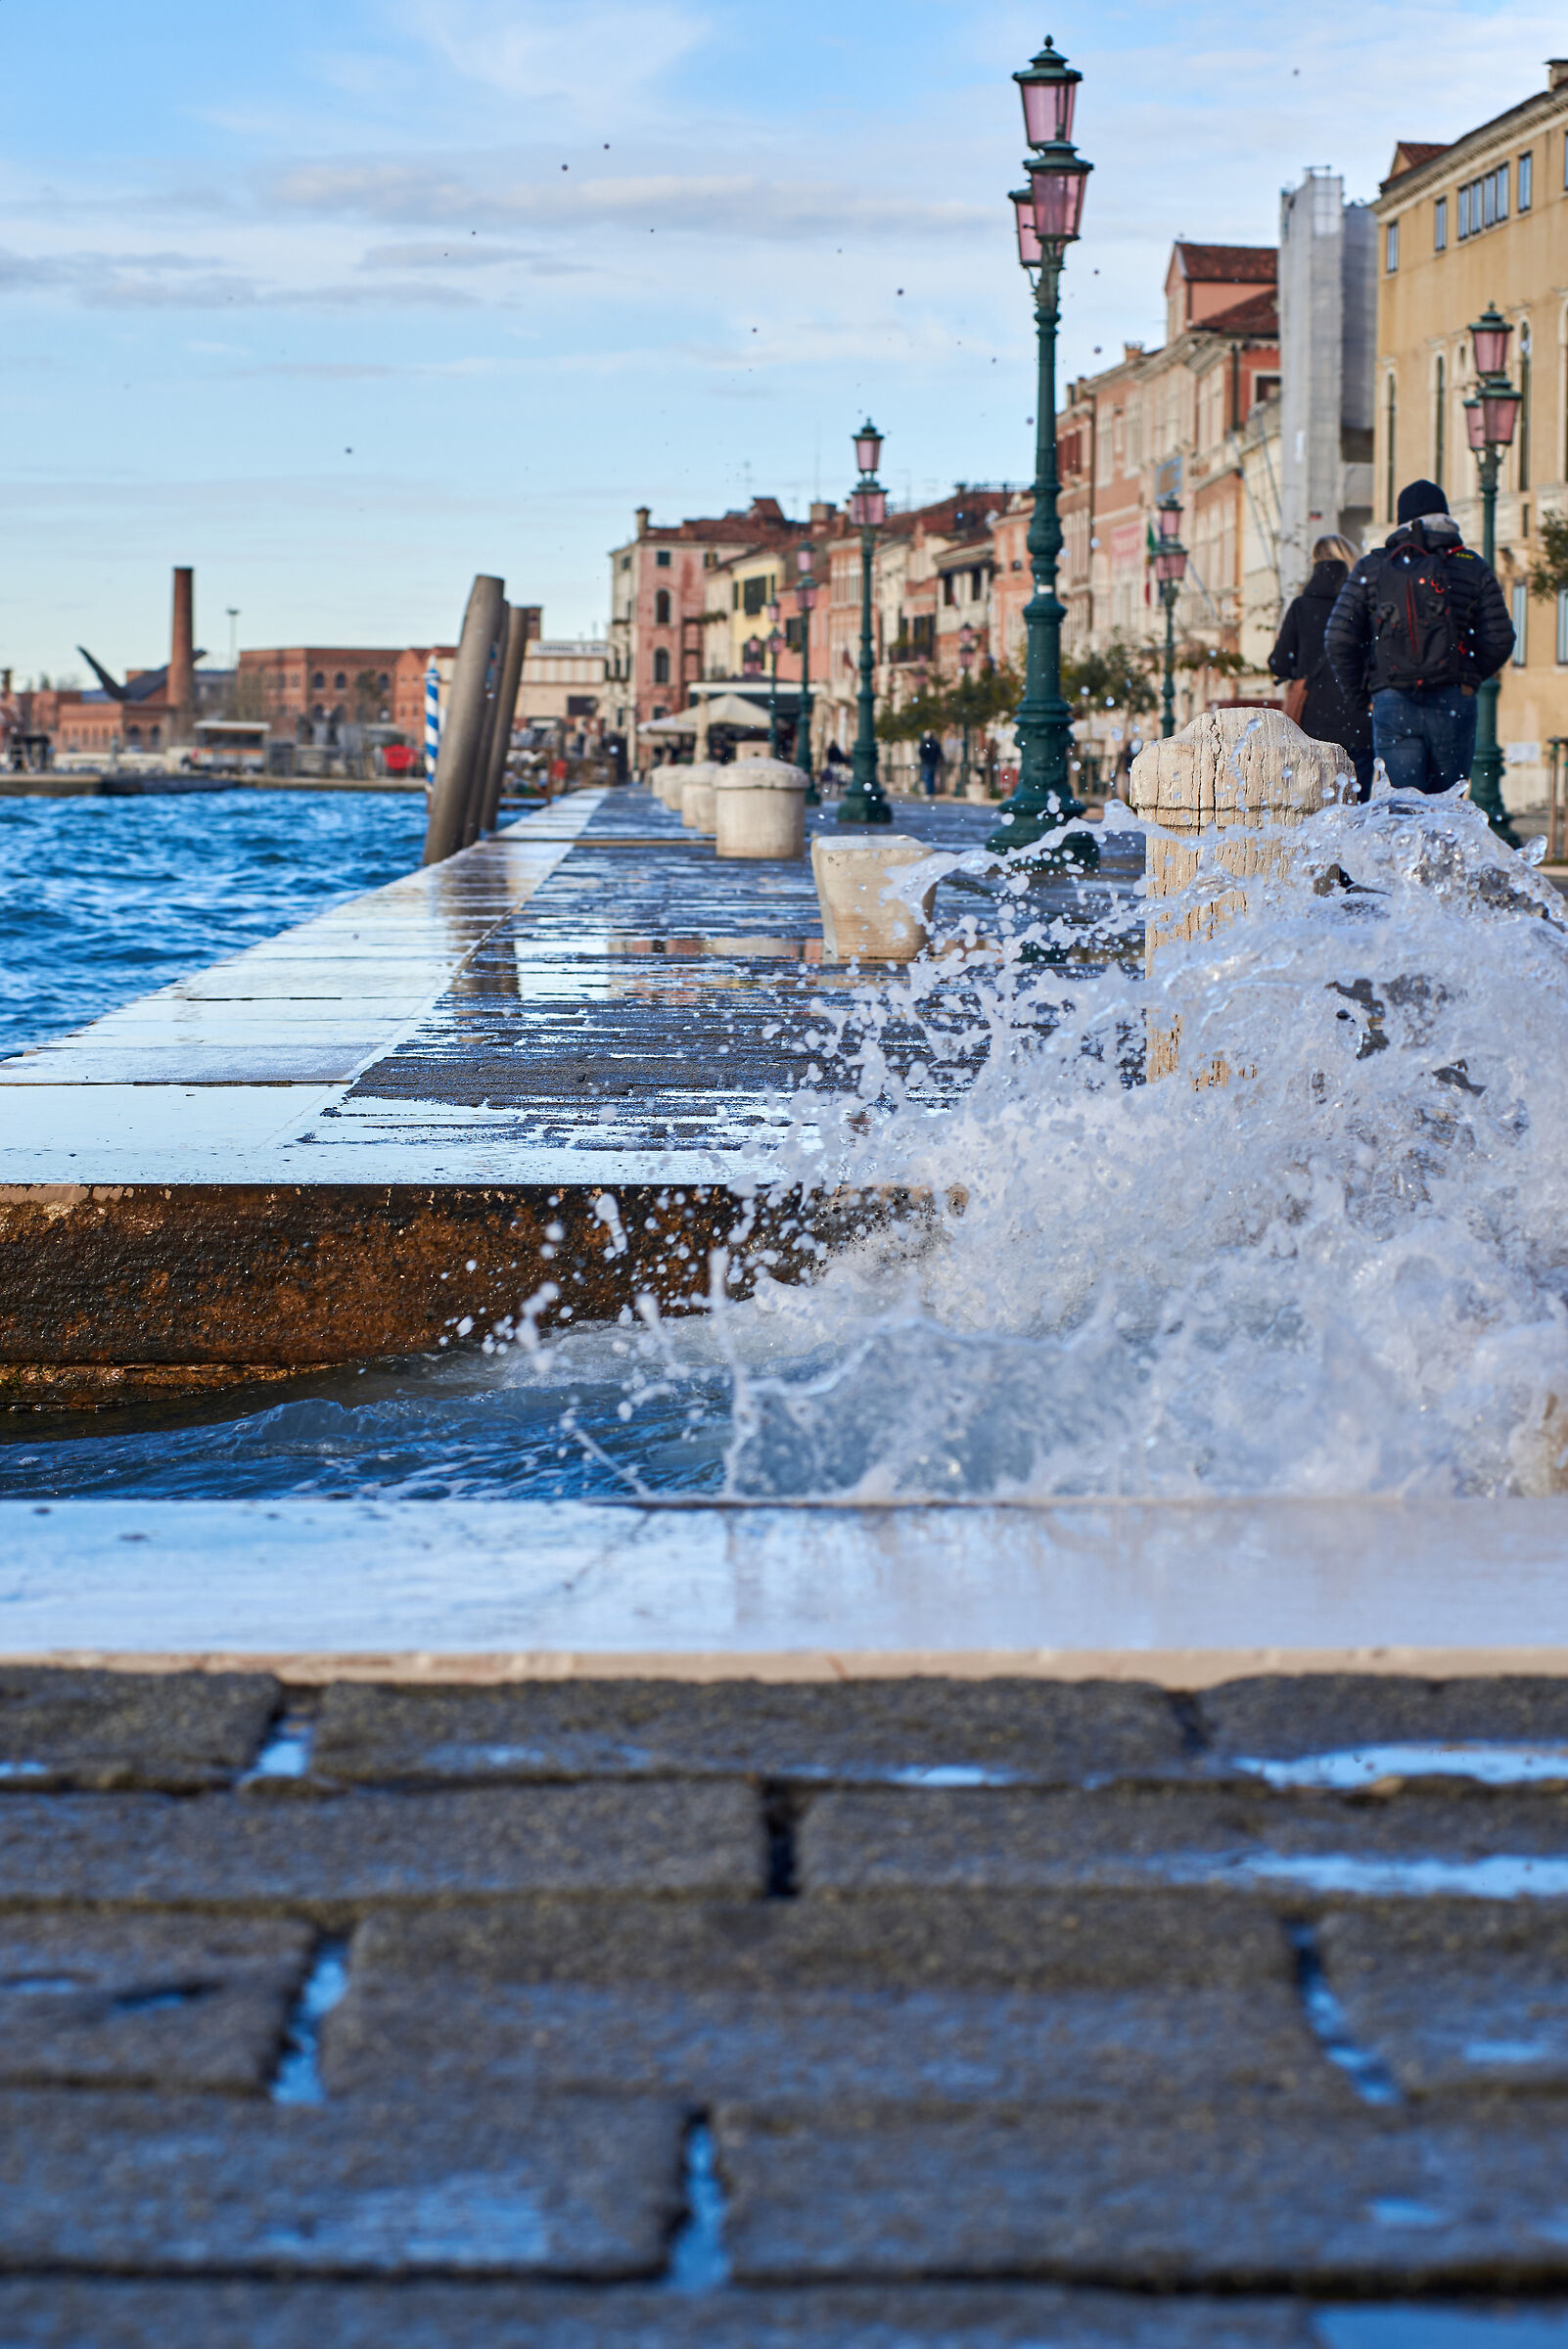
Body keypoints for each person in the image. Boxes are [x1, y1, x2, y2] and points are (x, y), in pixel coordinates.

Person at [1324, 480, 1513, 797]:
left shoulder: (1373, 566)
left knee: (1404, 809)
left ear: (1401, 522)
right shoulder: (1471, 566)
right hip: (1454, 699)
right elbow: (1500, 637)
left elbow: (1338, 638)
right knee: (1447, 810)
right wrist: (1467, 676)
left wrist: (1365, 694)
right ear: (1446, 516)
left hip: (1393, 700)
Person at [1268, 534, 1374, 798]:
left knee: (1316, 805)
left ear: (1315, 563)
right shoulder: (1364, 604)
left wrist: (1297, 669)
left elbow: (1279, 662)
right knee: (1357, 805)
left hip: (1313, 723)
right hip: (1360, 717)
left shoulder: (1302, 606)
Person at [918, 730, 942, 797]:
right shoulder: (935, 743)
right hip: (933, 762)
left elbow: (921, 752)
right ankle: (931, 792)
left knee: (927, 777)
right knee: (932, 777)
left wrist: (924, 758)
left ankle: (929, 793)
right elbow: (939, 753)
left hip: (926, 762)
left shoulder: (925, 743)